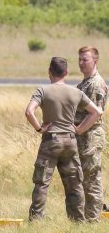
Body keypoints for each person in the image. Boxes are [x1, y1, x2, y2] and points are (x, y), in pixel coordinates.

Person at [24, 56, 102, 222]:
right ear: (66, 73)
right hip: (70, 141)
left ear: (49, 72)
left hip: (50, 141)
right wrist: (79, 129)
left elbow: (29, 112)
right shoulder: (76, 92)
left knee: (42, 183)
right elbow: (96, 112)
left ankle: (36, 219)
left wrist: (39, 128)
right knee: (74, 185)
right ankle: (78, 221)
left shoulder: (43, 90)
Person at [75, 46, 108, 221]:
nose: (81, 63)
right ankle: (87, 217)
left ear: (95, 60)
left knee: (91, 178)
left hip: (90, 136)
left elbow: (96, 114)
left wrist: (79, 129)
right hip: (84, 137)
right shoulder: (84, 83)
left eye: (85, 60)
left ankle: (93, 219)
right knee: (84, 178)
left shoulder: (95, 84)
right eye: (79, 59)